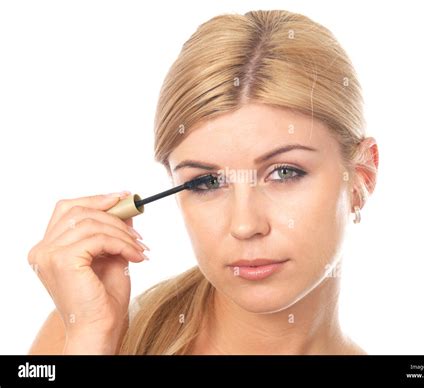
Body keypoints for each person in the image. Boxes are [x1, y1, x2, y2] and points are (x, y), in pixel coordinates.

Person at [27, 9, 379, 355]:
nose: (245, 225)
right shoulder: (85, 333)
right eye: (207, 182)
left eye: (284, 172)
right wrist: (92, 342)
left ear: (362, 177)